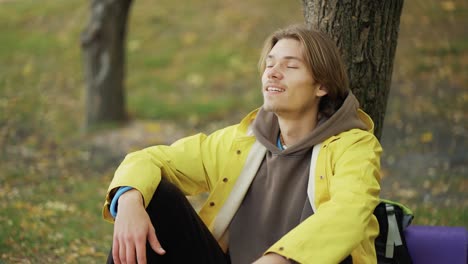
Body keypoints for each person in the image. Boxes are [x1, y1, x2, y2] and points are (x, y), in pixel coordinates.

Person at [103, 24, 382, 264]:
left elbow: (349, 212)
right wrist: (128, 200)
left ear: (321, 86)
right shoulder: (242, 141)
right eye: (270, 63)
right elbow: (151, 159)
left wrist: (280, 258)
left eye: (290, 66)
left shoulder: (354, 146)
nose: (272, 72)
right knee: (154, 196)